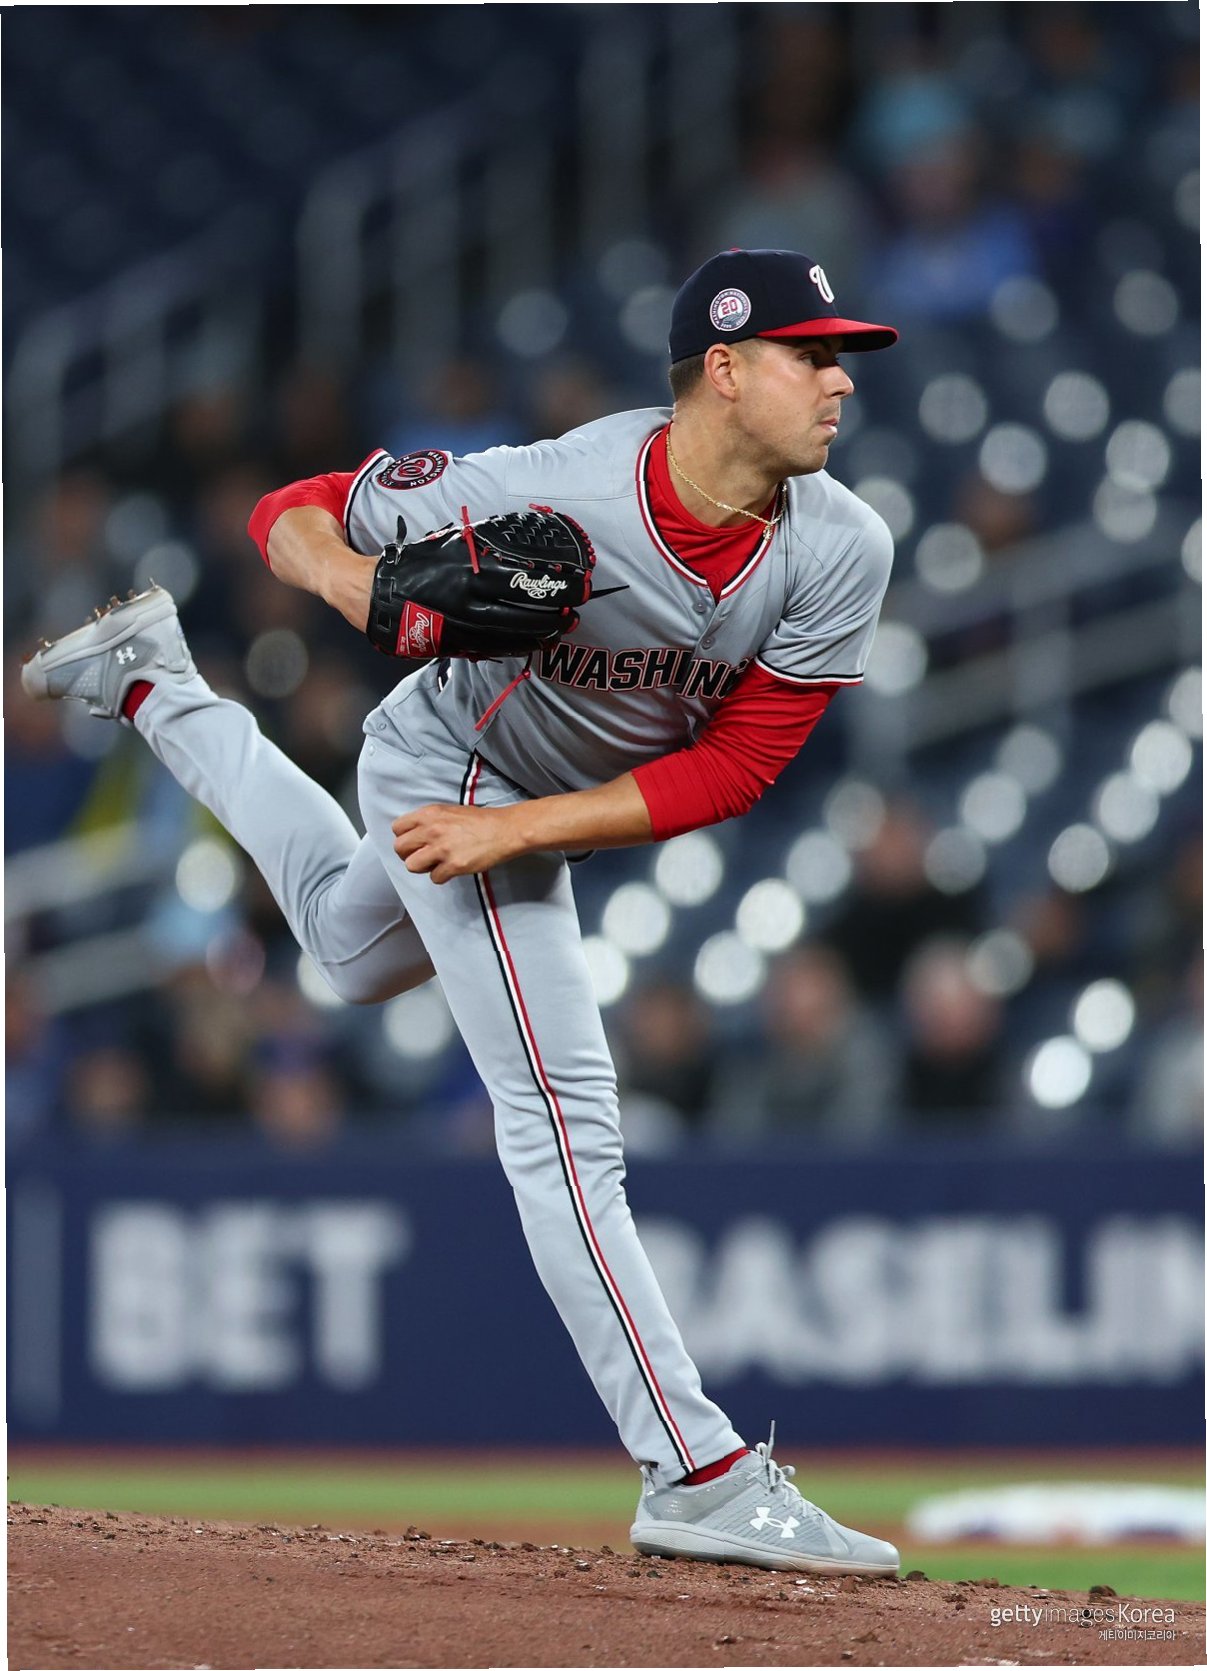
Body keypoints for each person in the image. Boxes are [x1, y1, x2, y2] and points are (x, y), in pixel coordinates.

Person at [24, 248, 900, 1576]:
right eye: (812, 354)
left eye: (843, 358)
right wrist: (362, 590)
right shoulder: (563, 485)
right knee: (564, 1115)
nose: (841, 382)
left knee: (343, 945)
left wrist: (523, 832)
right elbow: (290, 510)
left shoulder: (842, 545)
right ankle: (698, 1472)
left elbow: (740, 767)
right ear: (723, 370)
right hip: (456, 760)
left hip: (513, 806)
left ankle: (152, 682)